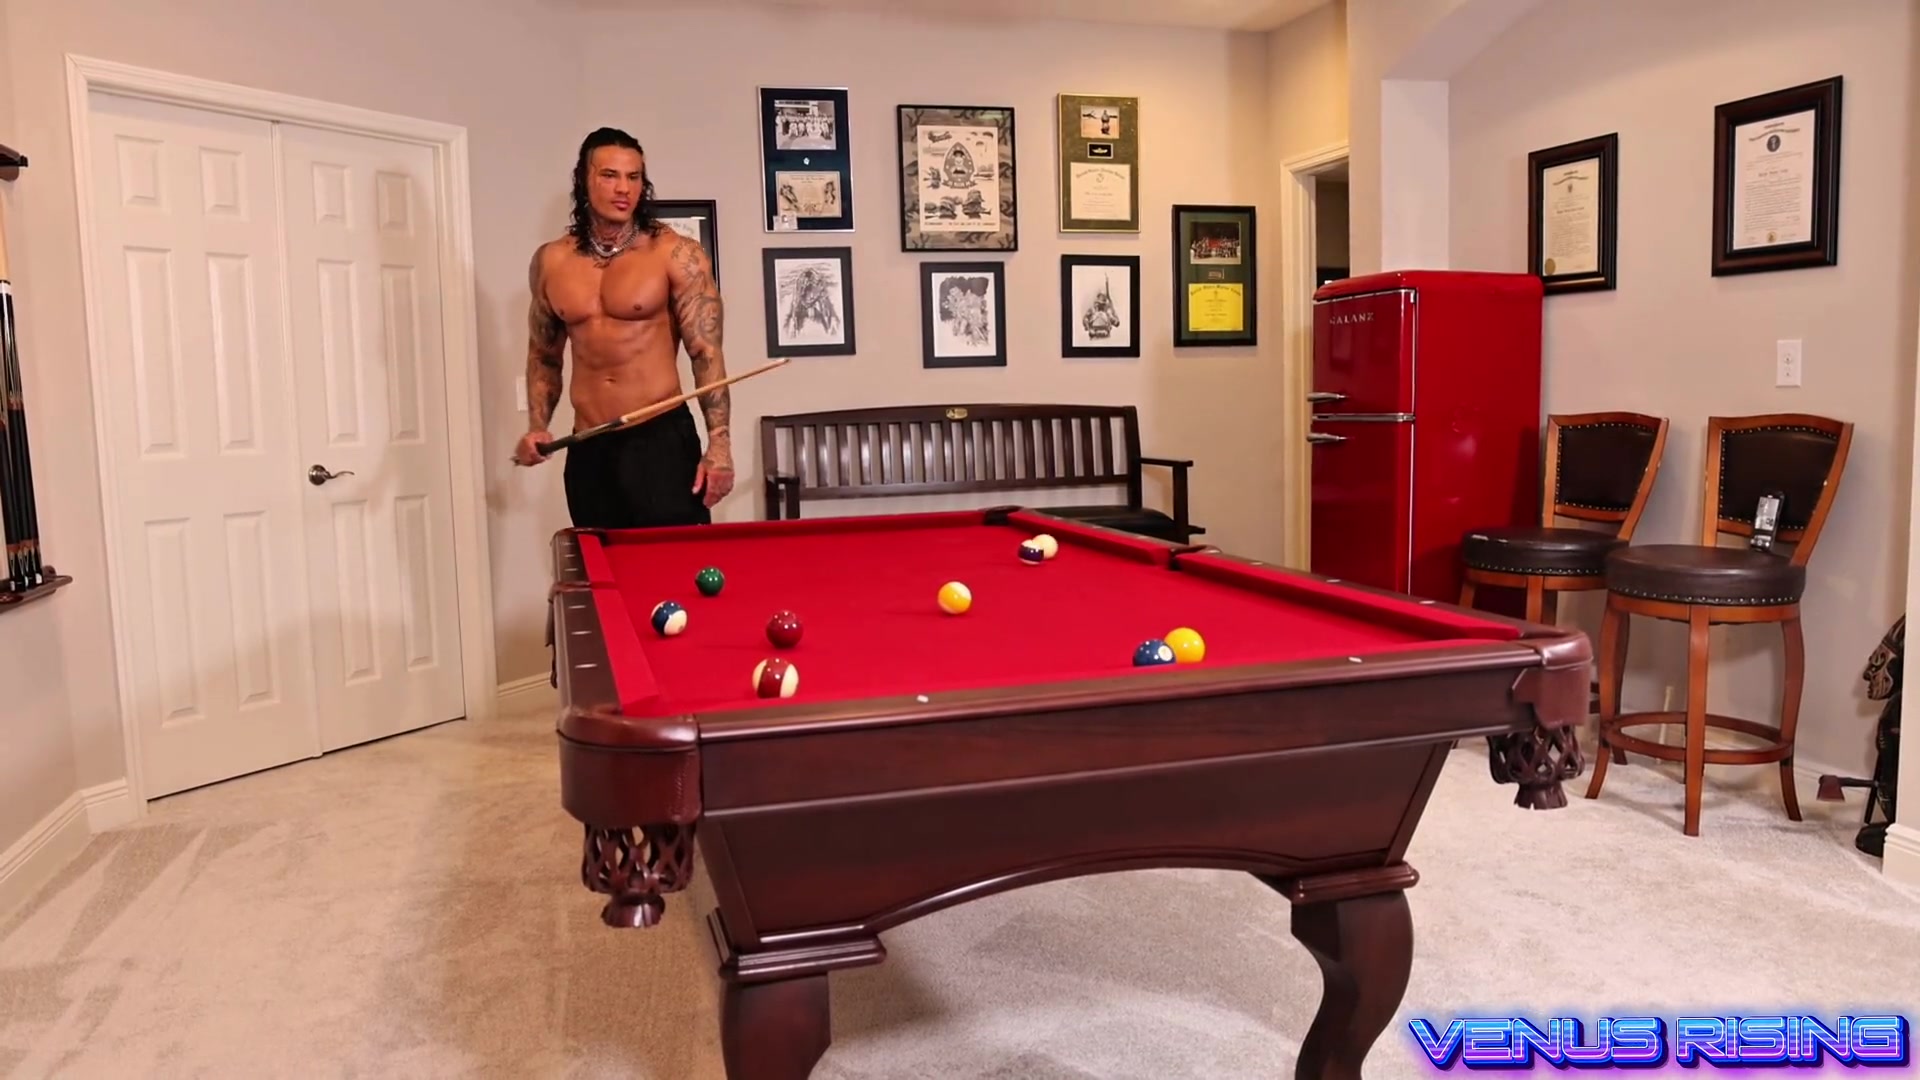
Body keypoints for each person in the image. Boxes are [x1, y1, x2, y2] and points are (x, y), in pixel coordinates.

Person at [514, 127, 733, 528]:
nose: (623, 188)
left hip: (659, 441)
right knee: (598, 563)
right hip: (588, 445)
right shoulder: (552, 261)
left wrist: (719, 444)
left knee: (672, 563)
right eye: (609, 175)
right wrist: (537, 426)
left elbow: (706, 352)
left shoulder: (675, 254)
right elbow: (544, 355)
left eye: (634, 177)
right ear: (583, 179)